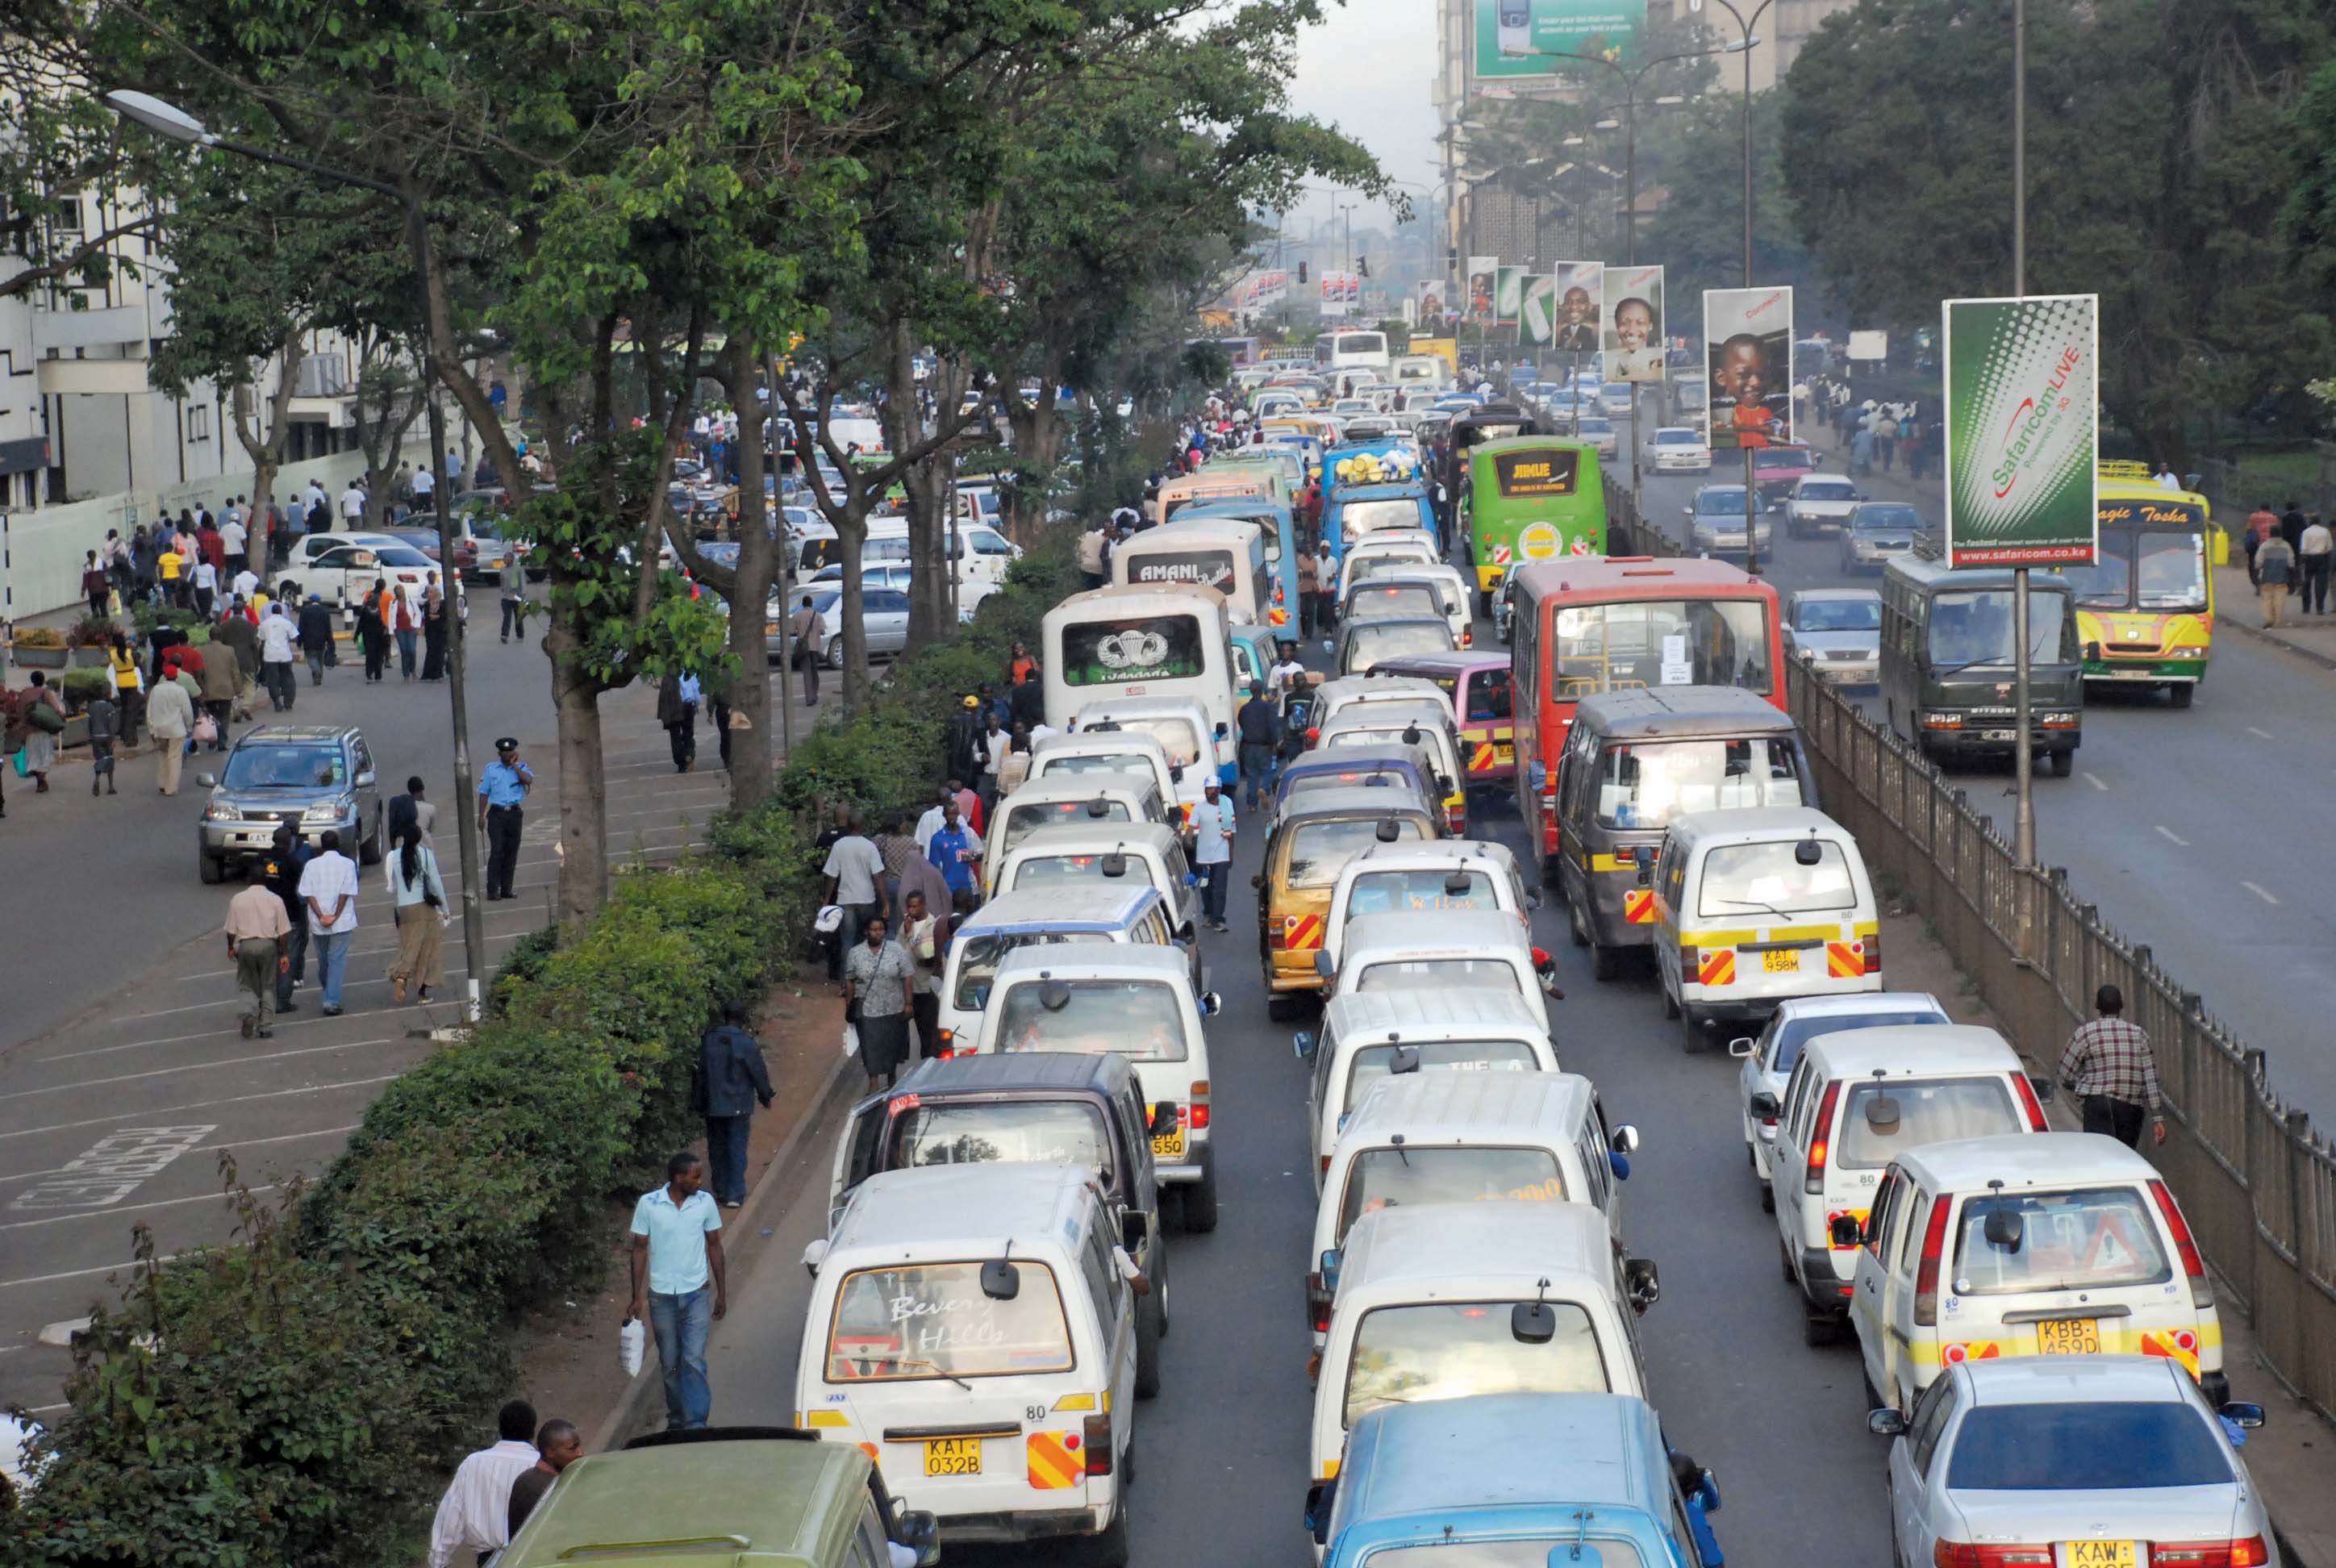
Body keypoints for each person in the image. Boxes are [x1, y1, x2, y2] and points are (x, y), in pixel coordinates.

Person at [629, 1152, 725, 1431]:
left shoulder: (705, 1203)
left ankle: (696, 1421)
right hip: (662, 1297)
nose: (700, 1181)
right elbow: (638, 1249)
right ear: (678, 1177)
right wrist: (636, 1296)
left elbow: (715, 1245)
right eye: (695, 1176)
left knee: (693, 1358)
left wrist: (722, 1292)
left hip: (697, 1293)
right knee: (670, 1362)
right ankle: (677, 1415)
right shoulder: (649, 1205)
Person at [425, 1399, 540, 1568]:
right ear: (533, 1431)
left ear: (500, 1429)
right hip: (535, 1558)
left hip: (490, 1561)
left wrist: (438, 1562)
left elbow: (451, 1516)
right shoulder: (540, 1466)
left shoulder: (474, 1463)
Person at [2058, 983, 2165, 1149]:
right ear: (2121, 1007)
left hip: (2097, 1105)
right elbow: (2150, 1080)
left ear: (2098, 1007)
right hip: (2130, 1109)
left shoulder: (2085, 1033)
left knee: (2099, 1155)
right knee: (2125, 1155)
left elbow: (2065, 1074)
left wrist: (2083, 1085)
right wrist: (2157, 1118)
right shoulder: (2139, 1035)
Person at [691, 999, 774, 1208]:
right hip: (739, 1104)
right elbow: (758, 1073)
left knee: (717, 1147)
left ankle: (720, 1189)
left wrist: (698, 1101)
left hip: (713, 1103)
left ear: (724, 1016)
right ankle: (735, 1194)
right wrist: (766, 1096)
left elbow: (699, 1073)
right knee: (737, 1147)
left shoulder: (708, 1040)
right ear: (743, 1018)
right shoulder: (746, 1043)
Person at [843, 913, 916, 1088]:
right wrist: (849, 1005)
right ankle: (873, 1082)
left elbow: (907, 977)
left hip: (893, 1007)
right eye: (874, 930)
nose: (878, 933)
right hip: (868, 1009)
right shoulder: (855, 953)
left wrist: (908, 1003)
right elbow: (850, 980)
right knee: (870, 1046)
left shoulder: (896, 950)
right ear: (866, 932)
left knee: (891, 1045)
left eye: (881, 930)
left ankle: (892, 1078)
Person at [223, 860, 293, 1039]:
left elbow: (231, 930)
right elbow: (284, 932)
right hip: (268, 945)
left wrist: (231, 947)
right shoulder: (275, 900)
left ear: (248, 879)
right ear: (266, 880)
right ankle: (265, 1026)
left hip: (246, 946)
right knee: (268, 985)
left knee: (247, 984)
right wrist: (284, 954)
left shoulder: (237, 899)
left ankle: (248, 1014)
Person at [298, 828, 361, 1015]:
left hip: (319, 923)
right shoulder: (348, 864)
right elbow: (345, 892)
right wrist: (335, 915)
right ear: (338, 845)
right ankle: (331, 1000)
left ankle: (329, 992)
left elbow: (307, 893)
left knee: (324, 961)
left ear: (322, 846)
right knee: (336, 961)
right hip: (341, 921)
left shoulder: (311, 865)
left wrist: (321, 916)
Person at [386, 821, 447, 1005]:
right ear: (419, 838)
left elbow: (391, 886)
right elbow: (436, 884)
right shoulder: (426, 855)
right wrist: (445, 909)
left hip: (404, 909)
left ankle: (401, 976)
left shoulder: (393, 856)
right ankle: (422, 992)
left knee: (409, 946)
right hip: (424, 908)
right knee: (428, 950)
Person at [505, 1418, 582, 1539]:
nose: (580, 1454)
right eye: (572, 1448)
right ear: (550, 1452)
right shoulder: (543, 1488)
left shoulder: (529, 1478)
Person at [822, 811, 887, 953]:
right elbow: (878, 876)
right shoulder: (870, 846)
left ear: (847, 825)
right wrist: (885, 902)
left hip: (845, 899)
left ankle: (847, 974)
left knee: (847, 941)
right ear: (863, 826)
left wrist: (826, 900)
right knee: (866, 939)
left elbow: (832, 877)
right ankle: (865, 972)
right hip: (866, 898)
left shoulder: (839, 846)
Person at [266, 819, 312, 1013]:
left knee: (269, 958)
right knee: (287, 956)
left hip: (265, 917)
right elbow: (300, 888)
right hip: (290, 914)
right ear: (289, 841)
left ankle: (266, 998)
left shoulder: (263, 860)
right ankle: (283, 1000)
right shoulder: (293, 863)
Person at [478, 737, 533, 900]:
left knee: (511, 851)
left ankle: (507, 889)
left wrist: (515, 765)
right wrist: (481, 816)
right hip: (497, 814)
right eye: (505, 751)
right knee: (497, 851)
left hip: (514, 814)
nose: (508, 754)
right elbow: (484, 793)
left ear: (515, 752)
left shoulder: (522, 767)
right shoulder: (491, 769)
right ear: (499, 753)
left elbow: (528, 780)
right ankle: (492, 890)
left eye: (511, 751)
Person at [900, 887, 944, 1058]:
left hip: (926, 987)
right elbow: (898, 947)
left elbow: (932, 955)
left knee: (929, 1033)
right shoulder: (906, 924)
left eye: (915, 907)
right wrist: (905, 930)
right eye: (909, 907)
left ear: (924, 905)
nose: (911, 910)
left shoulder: (933, 926)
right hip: (910, 987)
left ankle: (930, 1066)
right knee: (916, 1030)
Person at [1187, 777, 1235, 932]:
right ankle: (1208, 914)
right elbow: (1191, 828)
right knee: (1206, 888)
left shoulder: (1227, 805)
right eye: (1207, 789)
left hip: (1222, 854)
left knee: (1219, 888)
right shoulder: (1199, 808)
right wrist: (1188, 841)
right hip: (1203, 856)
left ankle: (1218, 920)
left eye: (1211, 789)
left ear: (1219, 790)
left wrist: (1231, 855)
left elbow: (1231, 832)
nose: (1208, 792)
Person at [144, 662, 195, 795]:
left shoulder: (156, 690)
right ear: (176, 676)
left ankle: (162, 783)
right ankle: (171, 788)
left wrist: (151, 729)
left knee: (162, 756)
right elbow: (187, 712)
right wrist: (189, 726)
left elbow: (150, 710)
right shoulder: (180, 690)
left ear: (165, 676)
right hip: (176, 730)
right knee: (174, 758)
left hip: (159, 729)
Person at [926, 799, 982, 903]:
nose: (952, 817)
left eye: (954, 814)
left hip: (970, 887)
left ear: (958, 814)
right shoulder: (938, 838)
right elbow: (934, 868)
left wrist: (972, 858)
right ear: (944, 815)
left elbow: (982, 854)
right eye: (949, 814)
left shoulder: (968, 833)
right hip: (949, 890)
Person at [1236, 679, 1280, 811]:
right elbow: (1273, 727)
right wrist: (1274, 743)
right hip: (1264, 745)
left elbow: (1241, 723)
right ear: (1262, 692)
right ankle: (1264, 789)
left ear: (1250, 691)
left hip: (1248, 746)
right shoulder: (1269, 708)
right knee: (1268, 770)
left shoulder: (1244, 709)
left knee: (1251, 775)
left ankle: (1252, 804)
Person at [14, 672, 60, 793]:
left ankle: (40, 782)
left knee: (33, 759)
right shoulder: (46, 693)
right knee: (44, 759)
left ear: (32, 680)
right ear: (43, 680)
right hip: (43, 731)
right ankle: (41, 781)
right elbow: (57, 709)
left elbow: (20, 713)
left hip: (29, 732)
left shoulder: (24, 694)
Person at [195, 632, 241, 753]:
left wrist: (201, 689)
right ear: (220, 637)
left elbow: (199, 672)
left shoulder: (201, 651)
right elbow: (235, 672)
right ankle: (222, 742)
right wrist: (238, 689)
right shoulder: (229, 650)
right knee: (225, 716)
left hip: (208, 689)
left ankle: (213, 738)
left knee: (212, 715)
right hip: (225, 689)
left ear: (210, 636)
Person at [657, 669, 700, 773]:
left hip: (674, 710)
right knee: (688, 733)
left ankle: (681, 763)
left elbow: (663, 698)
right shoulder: (690, 673)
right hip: (688, 707)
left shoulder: (667, 678)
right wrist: (697, 704)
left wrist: (663, 715)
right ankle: (689, 754)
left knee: (675, 737)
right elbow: (695, 690)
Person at [788, 593, 825, 706]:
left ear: (803, 604)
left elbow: (791, 631)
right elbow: (823, 631)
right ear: (811, 604)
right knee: (815, 671)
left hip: (803, 649)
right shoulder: (818, 615)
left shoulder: (797, 615)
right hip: (815, 647)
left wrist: (799, 631)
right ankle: (815, 694)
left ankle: (809, 698)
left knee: (807, 673)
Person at [2255, 527, 2296, 628]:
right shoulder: (2286, 546)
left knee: (2267, 598)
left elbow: (2258, 562)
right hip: (2282, 576)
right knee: (2280, 598)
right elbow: (2291, 563)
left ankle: (2269, 618)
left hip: (2267, 576)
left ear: (2270, 534)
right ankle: (2277, 620)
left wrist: (2258, 568)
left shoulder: (2264, 546)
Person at [86, 690, 119, 797]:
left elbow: (89, 724)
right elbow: (113, 725)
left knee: (99, 760)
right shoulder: (110, 707)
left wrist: (91, 736)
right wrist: (113, 738)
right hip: (107, 737)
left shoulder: (91, 707)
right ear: (107, 695)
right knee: (109, 760)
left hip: (96, 737)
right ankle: (111, 787)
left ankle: (97, 779)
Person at [297, 593, 336, 686]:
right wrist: (331, 642)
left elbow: (301, 627)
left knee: (311, 658)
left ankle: (316, 671)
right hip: (321, 640)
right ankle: (318, 679)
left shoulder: (305, 611)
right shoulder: (325, 611)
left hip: (308, 640)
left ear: (311, 601)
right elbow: (328, 628)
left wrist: (299, 641)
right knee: (320, 659)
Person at [357, 580, 391, 682]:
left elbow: (363, 609)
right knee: (382, 650)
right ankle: (383, 667)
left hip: (369, 629)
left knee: (371, 653)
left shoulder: (369, 594)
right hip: (384, 626)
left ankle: (370, 674)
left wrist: (357, 633)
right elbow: (393, 609)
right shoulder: (388, 596)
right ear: (384, 586)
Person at [2301, 514, 2334, 615]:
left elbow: (2304, 548)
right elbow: (2329, 547)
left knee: (2307, 583)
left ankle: (2306, 608)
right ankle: (2320, 608)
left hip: (2309, 558)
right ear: (2320, 522)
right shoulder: (2325, 531)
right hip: (2322, 558)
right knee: (2320, 585)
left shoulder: (2306, 532)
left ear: (2310, 522)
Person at [420, 577, 450, 682]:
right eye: (428, 592)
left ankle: (438, 674)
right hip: (430, 632)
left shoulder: (443, 603)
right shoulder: (427, 604)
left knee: (440, 652)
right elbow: (427, 616)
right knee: (431, 652)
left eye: (432, 592)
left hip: (441, 631)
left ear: (436, 593)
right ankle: (428, 675)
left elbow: (446, 614)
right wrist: (433, 617)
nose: (429, 594)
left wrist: (437, 616)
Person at [391, 581, 420, 679]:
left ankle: (413, 670)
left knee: (411, 650)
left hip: (411, 628)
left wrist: (416, 626)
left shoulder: (411, 600)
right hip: (399, 630)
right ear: (395, 592)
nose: (401, 591)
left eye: (402, 589)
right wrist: (392, 631)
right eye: (398, 589)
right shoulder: (393, 603)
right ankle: (406, 674)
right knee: (404, 650)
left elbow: (418, 613)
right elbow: (390, 617)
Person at [499, 557, 527, 644]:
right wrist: (503, 589)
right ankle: (504, 635)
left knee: (518, 618)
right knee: (507, 617)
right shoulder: (502, 569)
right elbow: (502, 581)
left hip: (517, 597)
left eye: (506, 558)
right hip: (506, 597)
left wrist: (523, 595)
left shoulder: (519, 569)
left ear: (511, 560)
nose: (504, 560)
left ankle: (520, 635)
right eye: (504, 558)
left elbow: (523, 582)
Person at [81, 550, 111, 621]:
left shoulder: (87, 565)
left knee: (94, 608)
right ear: (95, 555)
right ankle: (106, 624)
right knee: (103, 607)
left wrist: (83, 590)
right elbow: (108, 574)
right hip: (103, 590)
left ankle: (96, 623)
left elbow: (86, 579)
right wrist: (110, 585)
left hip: (93, 591)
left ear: (88, 557)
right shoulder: (102, 563)